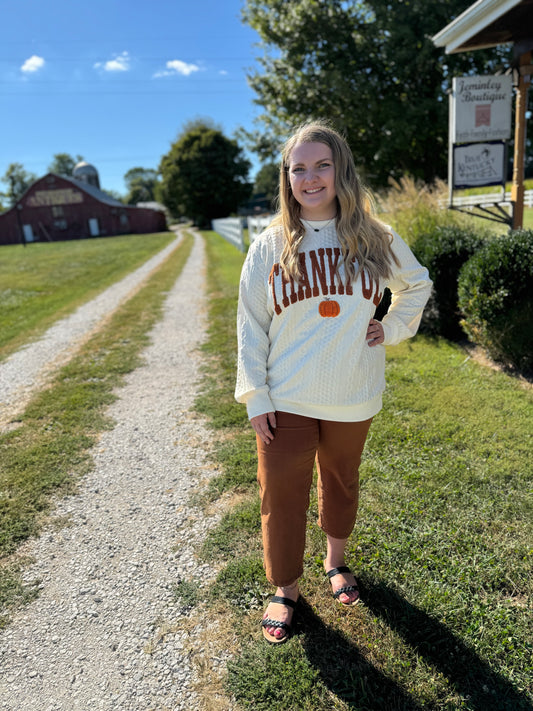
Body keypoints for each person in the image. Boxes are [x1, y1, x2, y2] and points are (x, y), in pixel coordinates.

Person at [235, 120, 432, 644]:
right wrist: (256, 393)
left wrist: (388, 327)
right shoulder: (270, 245)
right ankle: (285, 588)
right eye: (299, 168)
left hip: (353, 391)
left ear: (341, 169)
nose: (311, 177)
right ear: (287, 178)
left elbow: (416, 284)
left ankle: (335, 561)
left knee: (341, 479)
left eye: (322, 164)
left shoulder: (373, 235)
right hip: (286, 396)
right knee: (281, 492)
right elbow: (250, 325)